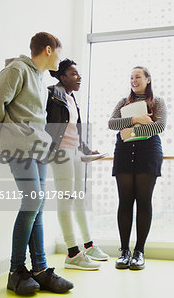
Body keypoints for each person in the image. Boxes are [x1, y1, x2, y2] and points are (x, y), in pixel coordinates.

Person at [0, 32, 73, 295]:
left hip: (38, 147)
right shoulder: (16, 69)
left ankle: (40, 270)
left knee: (39, 206)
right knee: (32, 202)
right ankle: (16, 271)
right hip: (19, 146)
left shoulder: (39, 76)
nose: (60, 57)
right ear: (48, 50)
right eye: (58, 51)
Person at [46, 59, 109, 270]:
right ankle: (72, 253)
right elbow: (47, 126)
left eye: (78, 74)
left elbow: (73, 130)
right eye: (73, 74)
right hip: (61, 152)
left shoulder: (72, 98)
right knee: (66, 200)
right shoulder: (52, 94)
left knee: (79, 199)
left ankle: (88, 245)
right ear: (62, 77)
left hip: (75, 152)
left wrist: (86, 149)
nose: (79, 77)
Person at [108, 66, 167, 270]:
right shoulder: (123, 102)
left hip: (148, 153)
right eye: (131, 77)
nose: (134, 80)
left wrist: (130, 132)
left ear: (148, 79)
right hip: (124, 154)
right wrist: (137, 119)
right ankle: (124, 251)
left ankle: (139, 251)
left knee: (143, 201)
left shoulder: (157, 102)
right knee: (125, 201)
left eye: (138, 76)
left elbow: (159, 126)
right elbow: (112, 124)